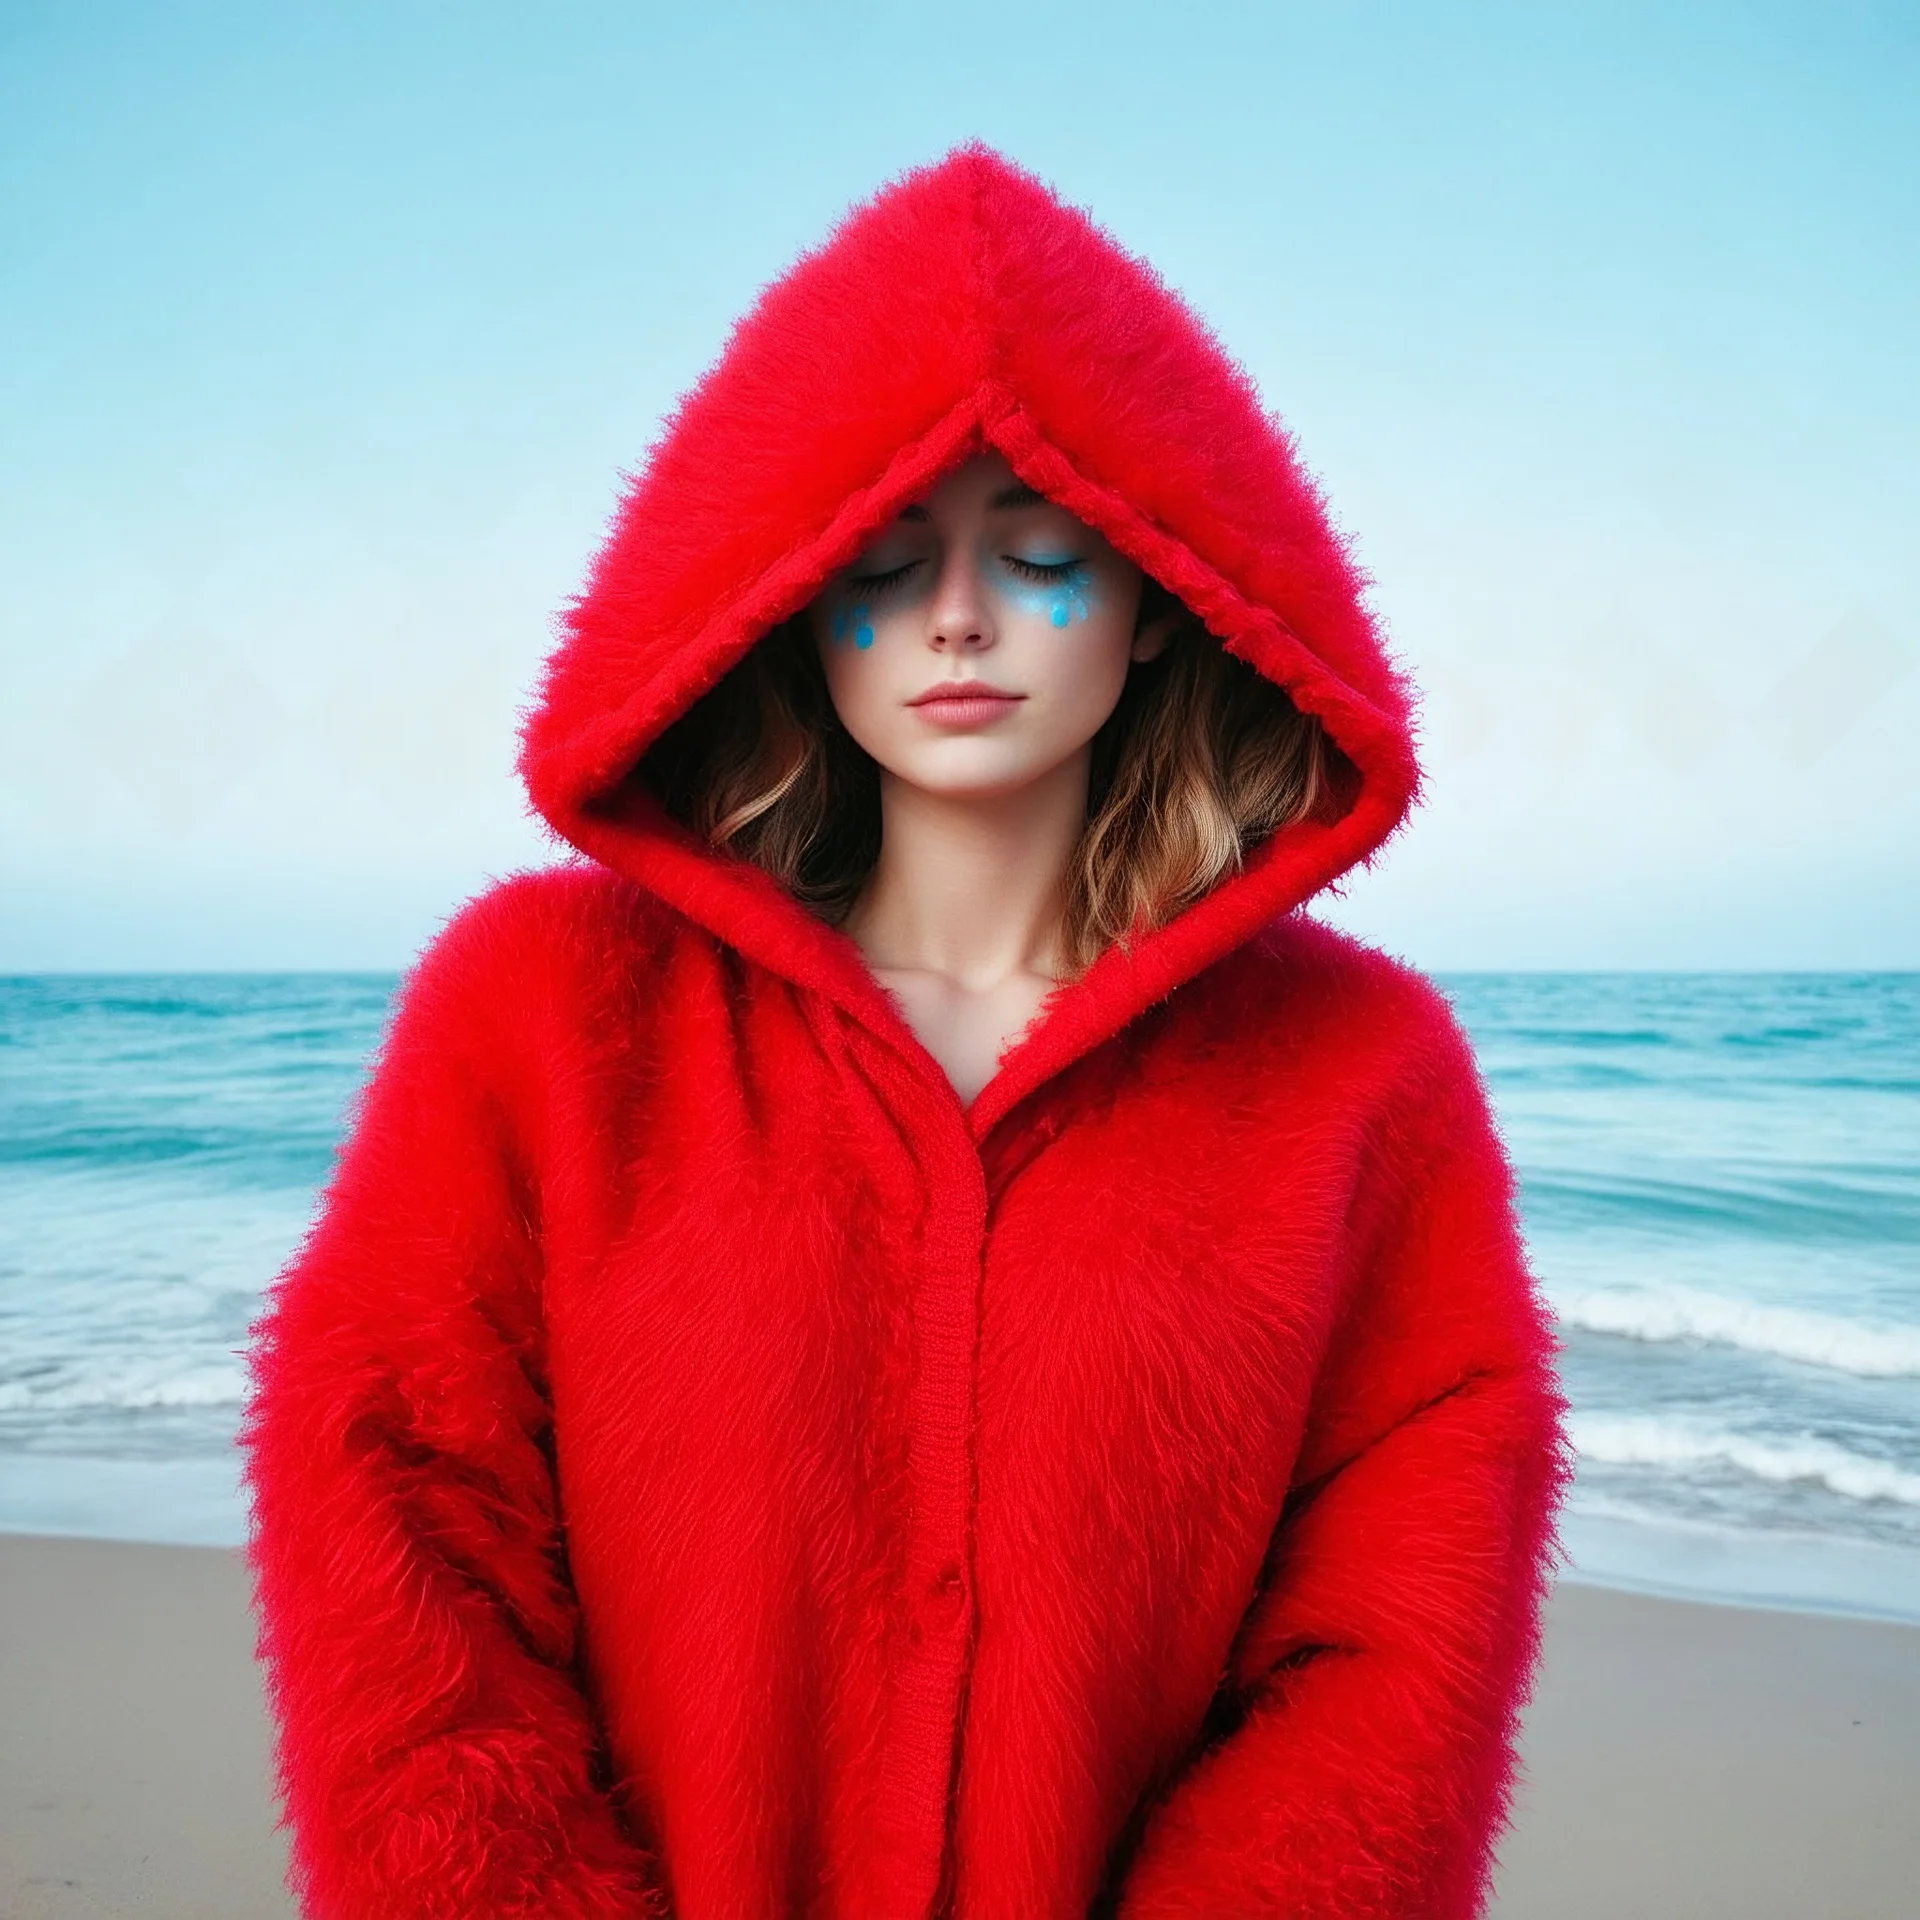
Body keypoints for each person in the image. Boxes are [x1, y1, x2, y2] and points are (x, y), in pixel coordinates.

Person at [241, 143, 1575, 1920]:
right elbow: (399, 1512)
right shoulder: (547, 1008)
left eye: (1038, 553)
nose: (957, 614)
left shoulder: (1357, 1071)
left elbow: (1397, 1638)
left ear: (1158, 599)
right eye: (885, 556)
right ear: (795, 599)